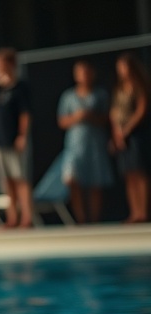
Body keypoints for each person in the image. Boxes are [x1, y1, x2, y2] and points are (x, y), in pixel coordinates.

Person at [0, 48, 34, 228]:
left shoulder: (20, 87)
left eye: (0, 63)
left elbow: (25, 114)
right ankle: (12, 219)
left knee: (20, 179)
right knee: (6, 181)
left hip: (14, 139)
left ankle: (27, 218)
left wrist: (22, 136)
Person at [57, 60, 113, 224]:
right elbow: (61, 121)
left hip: (95, 144)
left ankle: (94, 219)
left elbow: (107, 119)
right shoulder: (68, 96)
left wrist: (91, 117)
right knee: (73, 180)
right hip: (75, 145)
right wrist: (76, 117)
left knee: (95, 181)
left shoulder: (100, 95)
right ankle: (80, 219)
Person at [110, 51, 150, 223]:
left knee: (139, 172)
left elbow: (141, 110)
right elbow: (114, 111)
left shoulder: (139, 86)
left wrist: (127, 129)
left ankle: (143, 211)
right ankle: (134, 211)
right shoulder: (119, 89)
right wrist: (117, 132)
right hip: (121, 135)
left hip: (136, 135)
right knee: (128, 174)